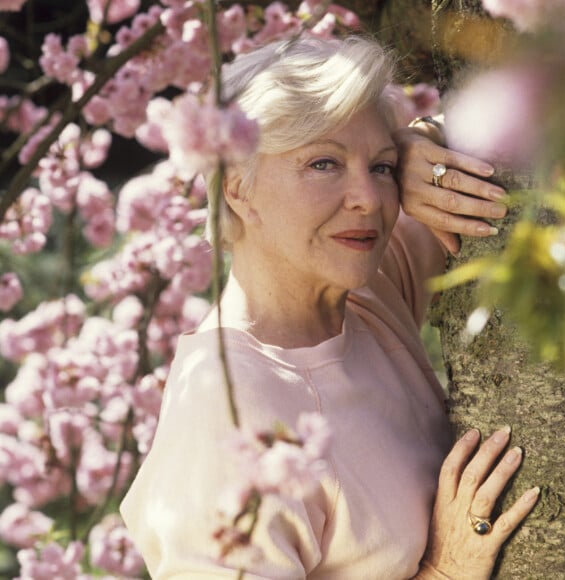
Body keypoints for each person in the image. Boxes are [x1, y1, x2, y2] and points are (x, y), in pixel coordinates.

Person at [120, 35, 539, 579]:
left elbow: (492, 140)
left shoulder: (365, 294)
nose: (367, 198)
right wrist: (445, 571)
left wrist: (417, 146)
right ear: (236, 187)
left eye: (381, 169)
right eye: (323, 164)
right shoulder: (225, 417)